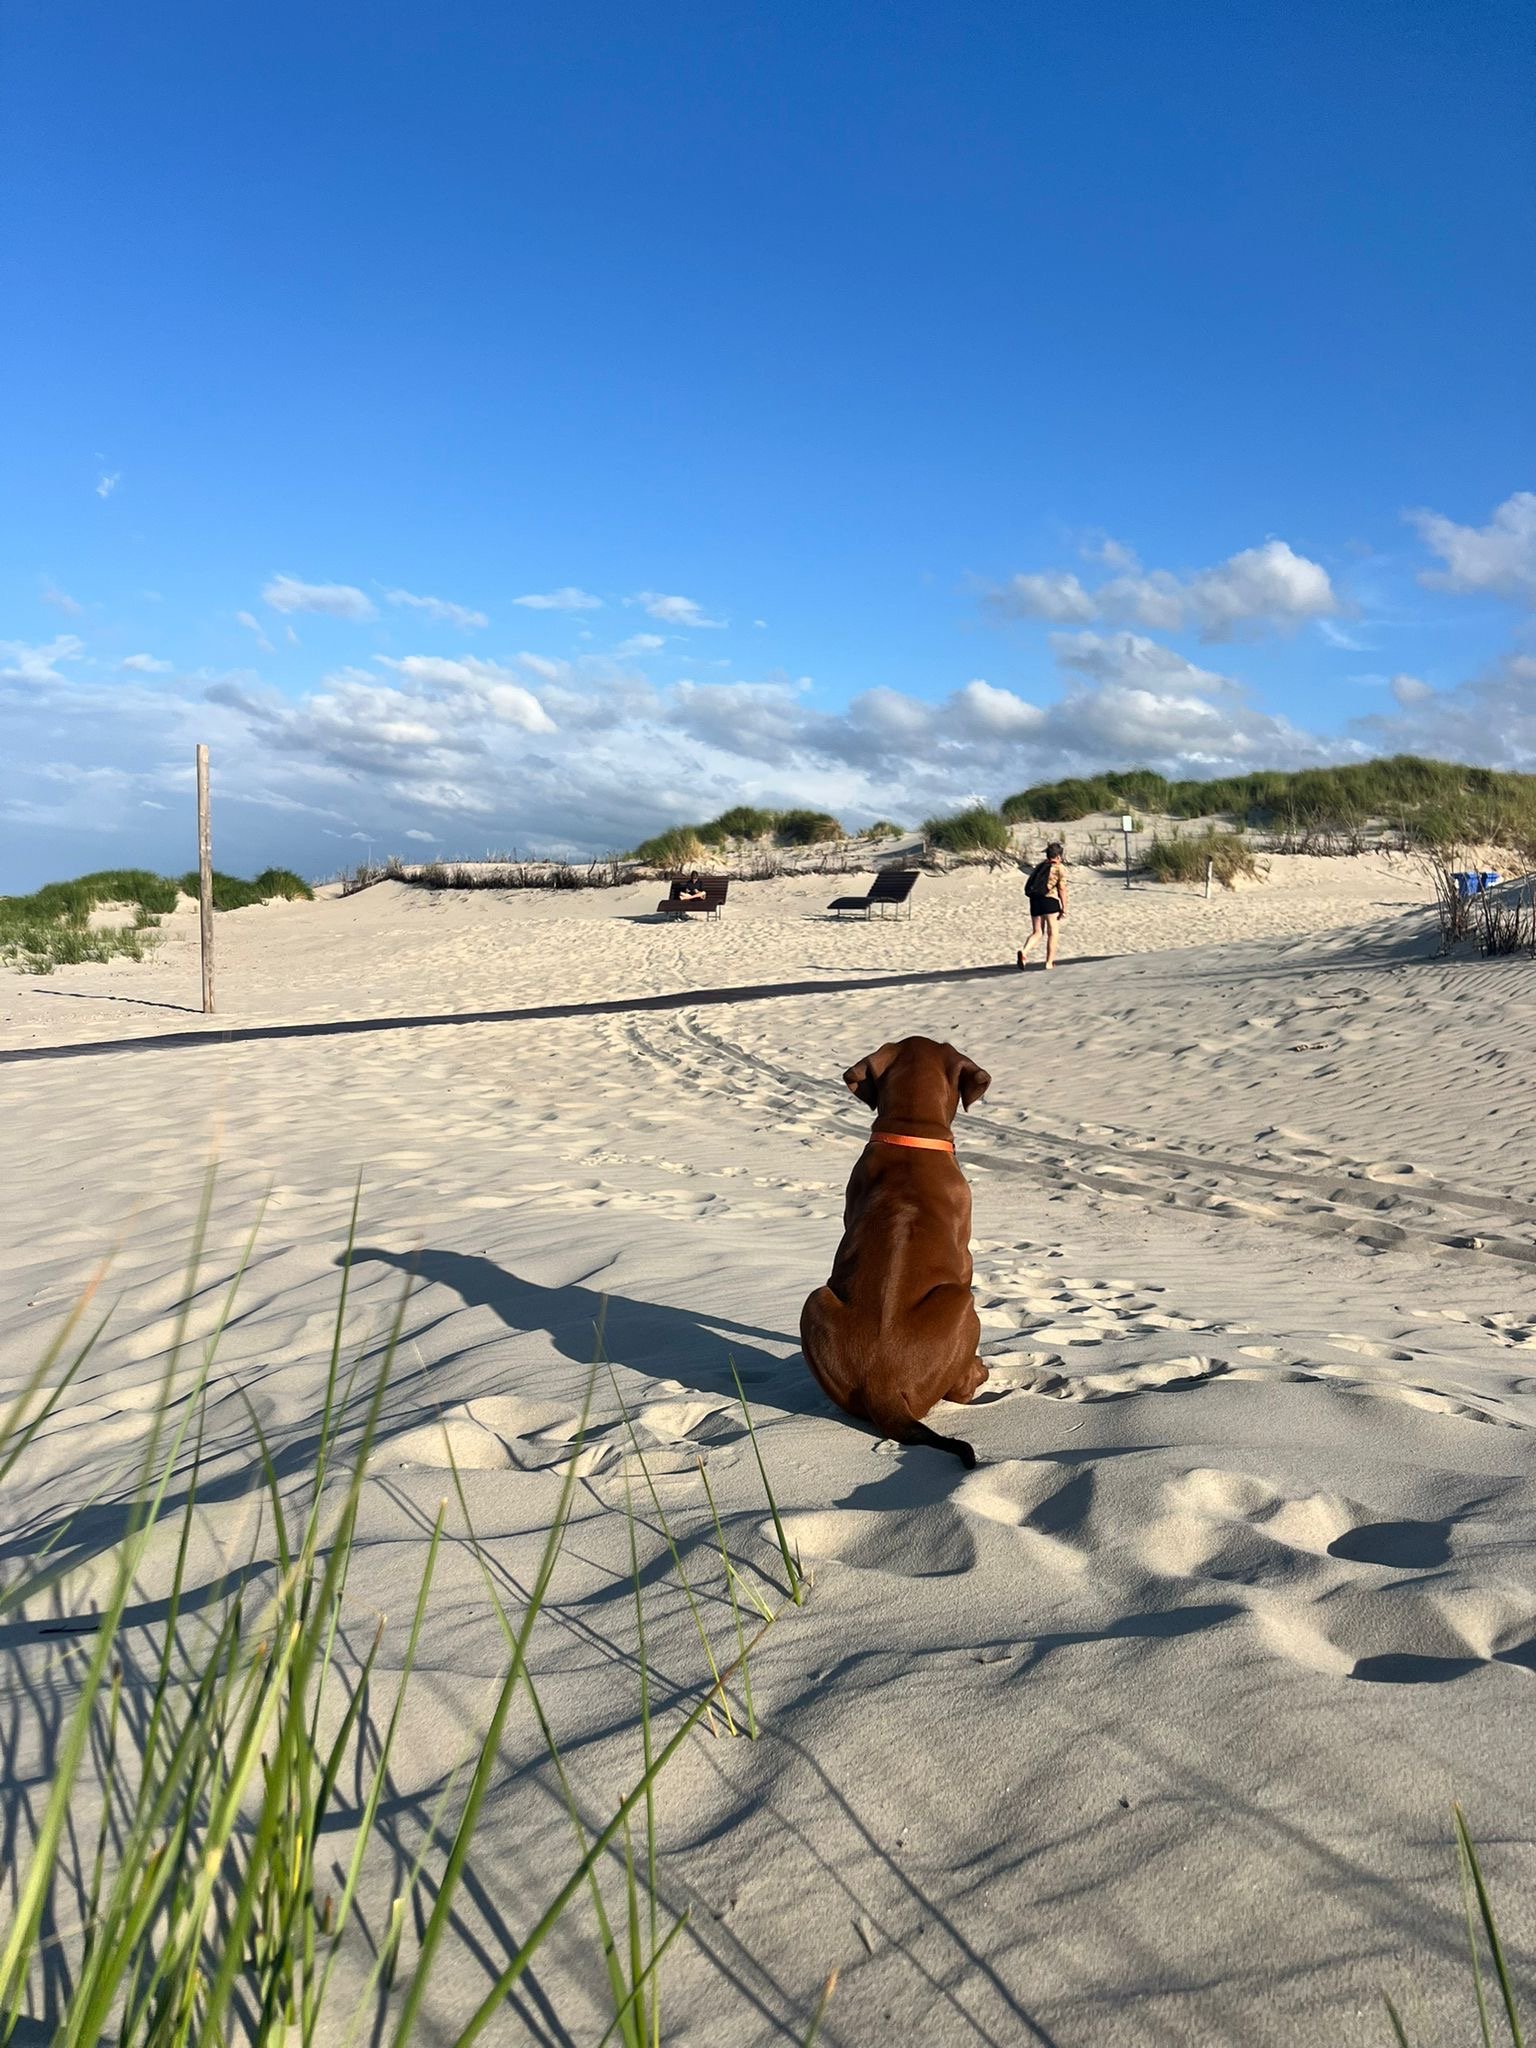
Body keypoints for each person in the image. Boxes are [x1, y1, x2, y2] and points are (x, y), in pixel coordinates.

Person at [1017, 841, 1067, 969]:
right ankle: (1049, 962)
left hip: (1035, 900)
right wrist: (1064, 908)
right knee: (1053, 933)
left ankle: (1024, 951)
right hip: (1050, 901)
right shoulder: (1059, 868)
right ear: (1058, 856)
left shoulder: (1040, 866)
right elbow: (1062, 889)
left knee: (1037, 932)